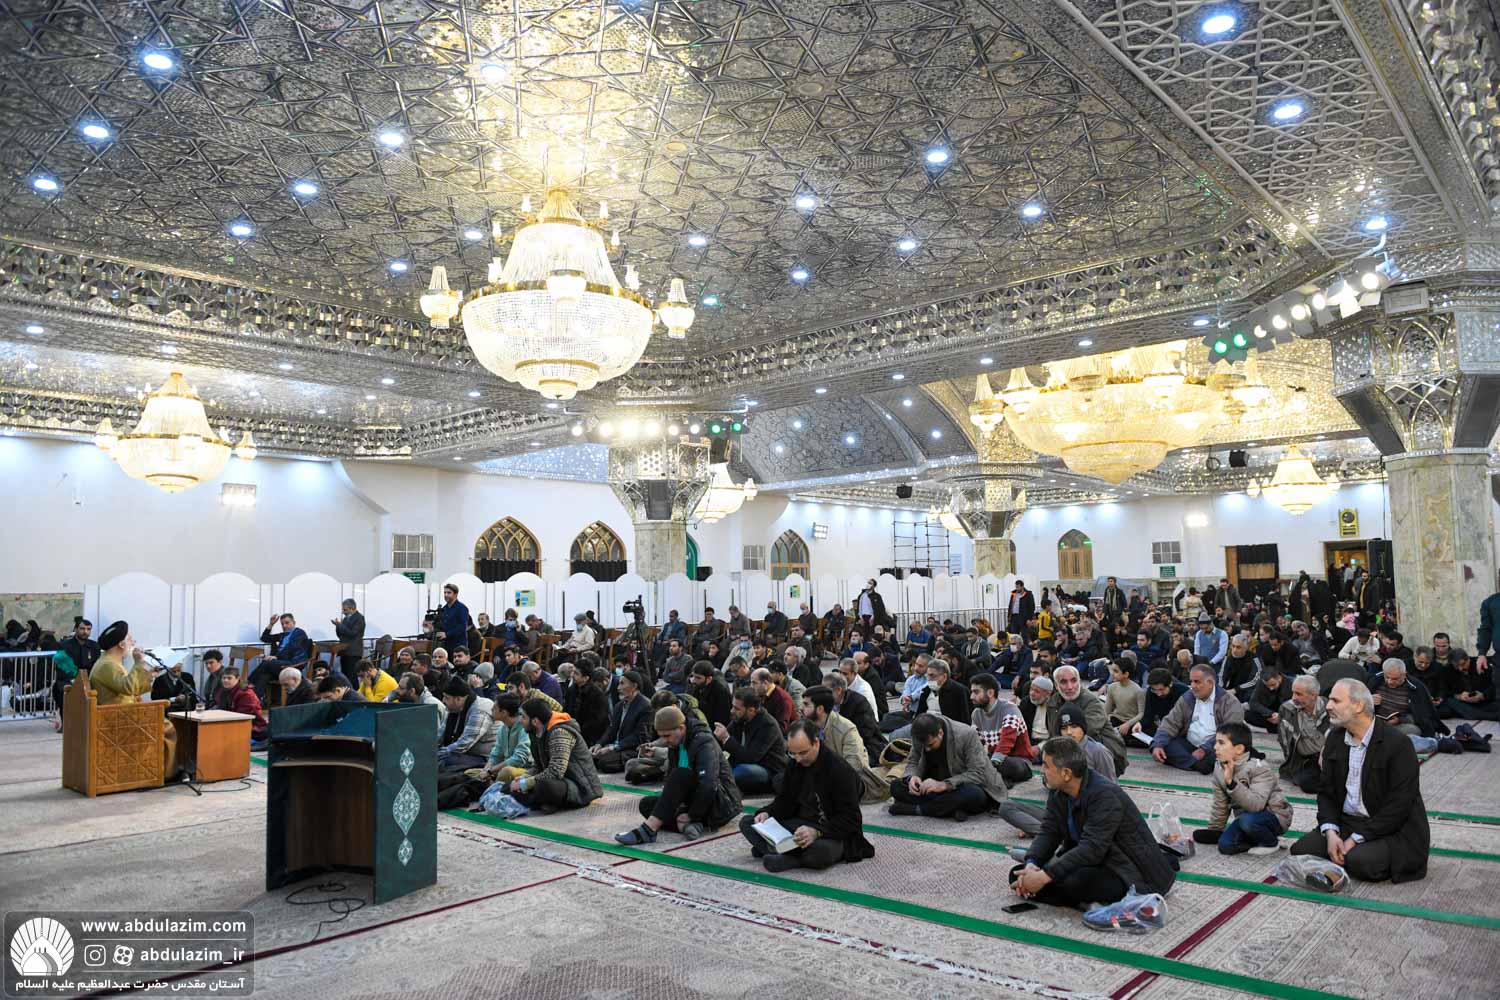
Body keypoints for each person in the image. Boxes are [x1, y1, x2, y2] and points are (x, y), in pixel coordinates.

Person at [1289, 678, 1430, 883]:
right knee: (1301, 850)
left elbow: (1400, 804)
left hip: (1390, 828)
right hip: (1348, 821)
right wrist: (1331, 832)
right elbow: (1327, 792)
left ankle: (1357, 856)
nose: (1328, 706)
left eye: (1336, 701)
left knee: (1359, 861)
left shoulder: (1397, 744)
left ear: (1358, 706)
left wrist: (1355, 840)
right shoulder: (1336, 738)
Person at [1011, 738, 1178, 908]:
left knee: (1075, 882)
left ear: (1066, 773)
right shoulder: (1059, 792)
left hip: (1126, 869)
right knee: (1017, 874)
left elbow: (1092, 848)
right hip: (1092, 860)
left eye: (1046, 766)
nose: (1042, 770)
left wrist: (1045, 876)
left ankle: (1055, 893)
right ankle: (1074, 898)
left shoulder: (1105, 796)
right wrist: (1032, 863)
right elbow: (1049, 831)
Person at [734, 720, 876, 872]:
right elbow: (784, 801)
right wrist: (767, 812)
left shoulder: (838, 769)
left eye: (803, 753)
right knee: (748, 823)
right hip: (799, 825)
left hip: (830, 831)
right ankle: (783, 850)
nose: (798, 759)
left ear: (816, 743)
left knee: (823, 852)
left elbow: (851, 820)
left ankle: (786, 855)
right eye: (793, 753)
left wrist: (816, 832)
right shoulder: (795, 763)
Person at [615, 705, 743, 844]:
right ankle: (687, 825)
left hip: (721, 804)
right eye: (661, 736)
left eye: (667, 736)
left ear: (681, 728)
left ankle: (649, 830)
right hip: (694, 800)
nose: (665, 740)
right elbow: (671, 780)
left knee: (680, 774)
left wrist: (692, 814)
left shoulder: (704, 741)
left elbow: (708, 785)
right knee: (646, 805)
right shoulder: (675, 742)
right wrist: (680, 809)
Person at [889, 714, 1020, 826]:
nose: (927, 749)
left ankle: (918, 809)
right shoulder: (920, 736)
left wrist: (944, 785)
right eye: (924, 746)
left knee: (974, 795)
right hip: (932, 787)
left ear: (940, 733)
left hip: (960, 785)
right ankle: (950, 809)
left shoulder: (966, 734)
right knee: (896, 786)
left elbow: (977, 774)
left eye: (931, 745)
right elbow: (913, 761)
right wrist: (912, 777)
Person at [86, 621, 178, 777]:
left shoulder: (110, 662)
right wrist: (138, 663)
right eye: (130, 640)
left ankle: (158, 770)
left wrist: (150, 675)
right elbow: (128, 687)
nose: (133, 643)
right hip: (116, 717)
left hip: (121, 713)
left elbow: (131, 689)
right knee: (167, 728)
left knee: (164, 723)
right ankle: (166, 774)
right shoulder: (107, 665)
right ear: (121, 644)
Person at [1194, 721, 1292, 855]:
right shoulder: (1219, 766)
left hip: (1274, 816)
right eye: (1216, 742)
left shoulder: (1259, 768)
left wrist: (1231, 783)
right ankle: (1255, 838)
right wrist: (1215, 829)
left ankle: (1271, 842)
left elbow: (1256, 805)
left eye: (1221, 743)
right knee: (1226, 846)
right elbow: (1220, 802)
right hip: (1245, 820)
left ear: (1239, 749)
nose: (1215, 747)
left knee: (1248, 821)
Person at [506, 698, 604, 812]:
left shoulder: (560, 733)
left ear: (535, 721)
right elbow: (539, 766)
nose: (520, 721)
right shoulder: (536, 733)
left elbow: (556, 771)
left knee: (543, 786)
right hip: (560, 781)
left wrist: (525, 784)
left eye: (523, 717)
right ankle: (543, 802)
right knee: (510, 785)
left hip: (580, 788)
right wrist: (525, 777)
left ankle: (540, 801)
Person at [1150, 664, 1245, 774]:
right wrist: (1158, 744)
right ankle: (1197, 764)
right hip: (1189, 745)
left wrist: (1204, 749)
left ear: (1210, 683)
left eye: (1197, 682)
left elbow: (1230, 733)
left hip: (1214, 748)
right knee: (1162, 744)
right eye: (1191, 681)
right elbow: (1171, 722)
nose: (1192, 686)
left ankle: (1188, 762)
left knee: (1225, 752)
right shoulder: (1188, 697)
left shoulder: (1229, 702)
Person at [800, 686, 889, 802]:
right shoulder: (805, 726)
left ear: (820, 709)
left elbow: (853, 767)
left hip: (846, 779)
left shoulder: (846, 729)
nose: (801, 708)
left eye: (806, 705)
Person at [1045, 665, 1127, 776]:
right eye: (1063, 682)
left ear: (1079, 681)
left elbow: (1084, 733)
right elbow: (1053, 732)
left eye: (1074, 681)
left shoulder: (1092, 702)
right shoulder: (1053, 702)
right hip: (1069, 750)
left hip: (1106, 755)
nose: (1070, 687)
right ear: (1056, 685)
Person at [714, 686, 787, 794]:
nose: (732, 711)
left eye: (737, 708)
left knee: (740, 772)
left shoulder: (768, 725)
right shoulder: (739, 719)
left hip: (769, 769)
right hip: (743, 763)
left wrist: (726, 738)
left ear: (751, 710)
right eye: (733, 707)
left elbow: (751, 757)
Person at [969, 672, 1033, 786]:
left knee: (1002, 763)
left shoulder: (1010, 709)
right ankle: (998, 779)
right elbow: (976, 743)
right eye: (972, 692)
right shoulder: (976, 713)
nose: (971, 697)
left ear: (990, 693)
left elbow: (1007, 742)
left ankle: (994, 777)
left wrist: (990, 765)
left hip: (1018, 761)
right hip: (994, 759)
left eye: (976, 692)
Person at [1278, 675, 1329, 793]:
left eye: (1299, 694)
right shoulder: (1287, 708)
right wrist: (1290, 762)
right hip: (1305, 760)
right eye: (1293, 693)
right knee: (1307, 784)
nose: (1293, 698)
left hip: (1328, 757)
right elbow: (1283, 739)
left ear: (1314, 695)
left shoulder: (1330, 709)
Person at [592, 670, 651, 773]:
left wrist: (612, 748)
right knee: (592, 756)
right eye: (619, 683)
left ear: (634, 686)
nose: (618, 687)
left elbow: (639, 737)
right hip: (617, 745)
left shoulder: (645, 706)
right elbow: (611, 729)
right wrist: (600, 744)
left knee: (604, 762)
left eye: (622, 684)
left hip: (631, 748)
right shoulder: (619, 706)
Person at [1371, 659, 1443, 738]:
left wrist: (1399, 720)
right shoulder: (1375, 680)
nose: (1389, 682)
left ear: (1404, 675)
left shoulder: (1415, 688)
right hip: (1374, 722)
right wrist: (1369, 700)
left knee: (1414, 730)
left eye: (1395, 679)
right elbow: (1361, 704)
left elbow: (1421, 716)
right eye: (1387, 677)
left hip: (1398, 725)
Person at [472, 692, 533, 785]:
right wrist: (486, 770)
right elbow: (495, 755)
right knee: (470, 773)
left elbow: (519, 759)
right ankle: (490, 784)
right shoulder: (503, 728)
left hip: (525, 770)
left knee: (506, 772)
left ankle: (492, 786)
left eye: (495, 708)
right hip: (502, 768)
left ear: (504, 713)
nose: (491, 709)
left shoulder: (524, 727)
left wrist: (490, 771)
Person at [437, 676, 496, 770]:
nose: (443, 701)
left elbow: (465, 743)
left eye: (446, 698)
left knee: (444, 761)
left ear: (458, 699)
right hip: (465, 754)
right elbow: (440, 735)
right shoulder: (454, 709)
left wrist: (438, 753)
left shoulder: (480, 709)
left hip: (485, 758)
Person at [252, 613, 311, 699]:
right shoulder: (283, 635)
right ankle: (255, 699)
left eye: (287, 623)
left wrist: (276, 657)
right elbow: (264, 638)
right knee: (264, 674)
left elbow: (291, 649)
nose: (284, 626)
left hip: (293, 664)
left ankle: (249, 683)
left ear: (294, 623)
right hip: (281, 664)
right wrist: (271, 624)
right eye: (282, 624)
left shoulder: (299, 633)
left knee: (267, 663)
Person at [1055, 703, 1116, 785]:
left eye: (1074, 727)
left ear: (1083, 728)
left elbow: (1111, 786)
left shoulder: (1098, 751)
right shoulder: (1057, 751)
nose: (1069, 732)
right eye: (1064, 728)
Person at [1438, 649, 1497, 720]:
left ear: (1468, 659)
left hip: (1483, 702)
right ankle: (1484, 715)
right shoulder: (1447, 670)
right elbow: (1444, 691)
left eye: (1462, 664)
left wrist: (1482, 696)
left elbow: (1495, 686)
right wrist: (1458, 696)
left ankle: (1473, 714)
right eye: (1456, 666)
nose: (1460, 668)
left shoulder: (1480, 664)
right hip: (1462, 704)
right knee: (1446, 706)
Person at [214, 665, 267, 742]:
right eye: (223, 678)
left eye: (229, 678)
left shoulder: (245, 694)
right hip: (232, 723)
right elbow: (218, 706)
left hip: (254, 728)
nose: (225, 680)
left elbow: (242, 717)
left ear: (237, 678)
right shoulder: (224, 690)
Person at [1103, 660, 1144, 738]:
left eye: (1116, 671)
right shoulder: (1112, 687)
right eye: (1112, 670)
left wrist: (1128, 724)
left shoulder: (1138, 691)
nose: (1112, 673)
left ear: (1126, 674)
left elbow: (1141, 713)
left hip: (1132, 723)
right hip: (1116, 719)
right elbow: (1107, 710)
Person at [432, 583, 472, 657]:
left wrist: (447, 634)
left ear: (455, 594)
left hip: (458, 645)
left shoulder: (462, 608)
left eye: (449, 593)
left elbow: (463, 626)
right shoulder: (444, 609)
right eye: (445, 592)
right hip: (446, 645)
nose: (446, 595)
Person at [1242, 667, 1287, 733]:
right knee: (1247, 715)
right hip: (1270, 714)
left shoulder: (1289, 685)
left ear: (1279, 678)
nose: (1271, 688)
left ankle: (1262, 730)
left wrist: (1280, 716)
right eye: (1267, 686)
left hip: (1283, 716)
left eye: (1273, 685)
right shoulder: (1261, 683)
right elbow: (1253, 702)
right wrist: (1270, 714)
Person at [332, 598, 365, 677]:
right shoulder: (345, 619)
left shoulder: (359, 618)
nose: (343, 612)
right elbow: (340, 635)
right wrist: (337, 626)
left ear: (352, 608)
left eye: (345, 610)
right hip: (344, 651)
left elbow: (352, 633)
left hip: (353, 652)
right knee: (344, 675)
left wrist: (340, 625)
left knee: (352, 676)